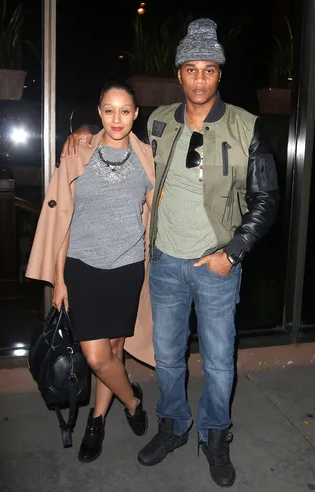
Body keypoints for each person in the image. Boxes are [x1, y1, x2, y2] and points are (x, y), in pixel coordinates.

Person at [62, 19, 279, 487]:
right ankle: (174, 425)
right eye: (190, 69)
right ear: (178, 74)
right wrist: (80, 129)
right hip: (163, 263)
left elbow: (267, 200)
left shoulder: (247, 126)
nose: (200, 79)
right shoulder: (159, 122)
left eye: (209, 70)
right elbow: (115, 137)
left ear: (219, 74)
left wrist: (233, 253)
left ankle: (216, 435)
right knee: (167, 355)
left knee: (220, 361)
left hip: (217, 266)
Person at [26, 81, 155, 464]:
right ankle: (132, 401)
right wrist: (60, 278)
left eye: (125, 110)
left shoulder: (148, 157)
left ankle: (96, 422)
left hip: (129, 268)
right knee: (97, 357)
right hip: (82, 267)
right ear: (98, 112)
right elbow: (64, 217)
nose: (117, 118)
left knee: (114, 350)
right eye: (109, 110)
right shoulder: (79, 150)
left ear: (136, 114)